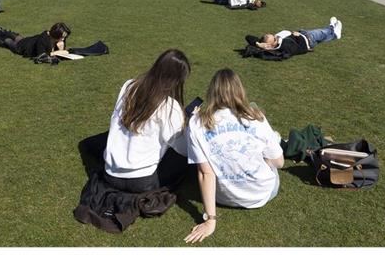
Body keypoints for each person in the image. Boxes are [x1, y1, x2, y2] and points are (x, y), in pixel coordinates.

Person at [184, 69, 284, 243]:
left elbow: (205, 173)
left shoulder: (196, 123)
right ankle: (274, 138)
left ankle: (272, 139)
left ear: (212, 92)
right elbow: (279, 162)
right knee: (270, 147)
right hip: (262, 193)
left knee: (204, 164)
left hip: (221, 196)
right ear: (239, 91)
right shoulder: (255, 116)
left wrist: (211, 221)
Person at [103, 49, 192, 193]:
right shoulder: (170, 107)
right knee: (185, 158)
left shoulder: (129, 86)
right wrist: (188, 127)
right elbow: (182, 148)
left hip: (110, 173)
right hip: (141, 181)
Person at [256, 17, 343, 55]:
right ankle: (331, 27)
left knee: (323, 36)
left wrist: (259, 44)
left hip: (304, 34)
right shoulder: (281, 46)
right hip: (308, 38)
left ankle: (334, 33)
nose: (276, 36)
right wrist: (264, 47)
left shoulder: (277, 40)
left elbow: (250, 38)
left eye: (273, 35)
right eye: (274, 39)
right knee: (323, 32)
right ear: (271, 45)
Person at [0, 22, 71, 58]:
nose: (64, 39)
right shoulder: (43, 39)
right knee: (8, 42)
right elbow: (41, 54)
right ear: (56, 34)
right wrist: (57, 52)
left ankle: (3, 31)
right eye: (62, 37)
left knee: (19, 38)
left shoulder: (60, 37)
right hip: (23, 48)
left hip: (29, 40)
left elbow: (61, 51)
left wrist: (61, 47)